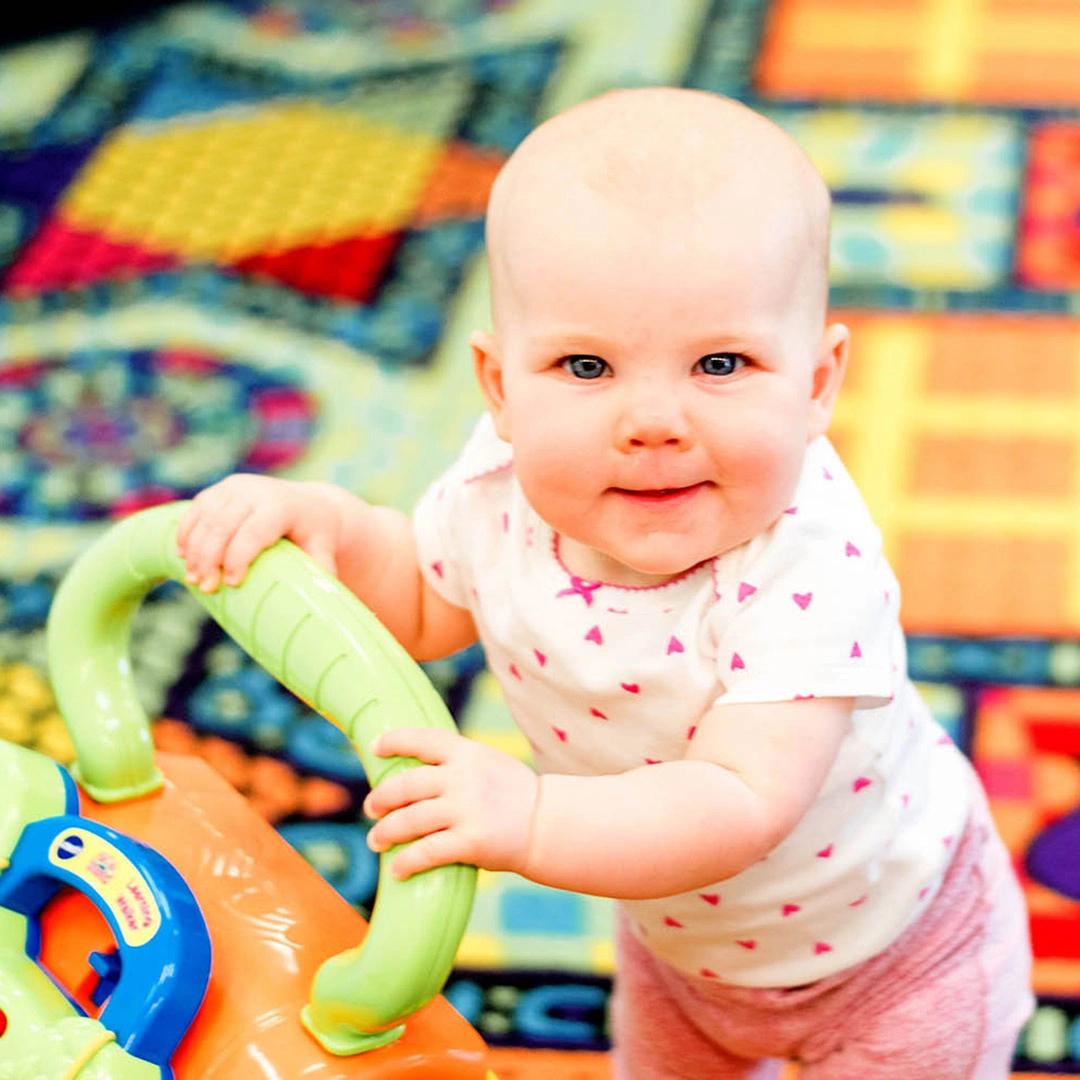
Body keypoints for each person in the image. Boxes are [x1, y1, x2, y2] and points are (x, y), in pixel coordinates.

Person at [176, 88, 1034, 1078]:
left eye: (720, 362)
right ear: (501, 388)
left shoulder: (811, 567)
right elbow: (419, 598)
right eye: (586, 366)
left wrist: (531, 820)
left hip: (895, 958)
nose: (653, 421)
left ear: (815, 383)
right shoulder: (501, 491)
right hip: (682, 955)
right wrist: (321, 529)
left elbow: (738, 800)